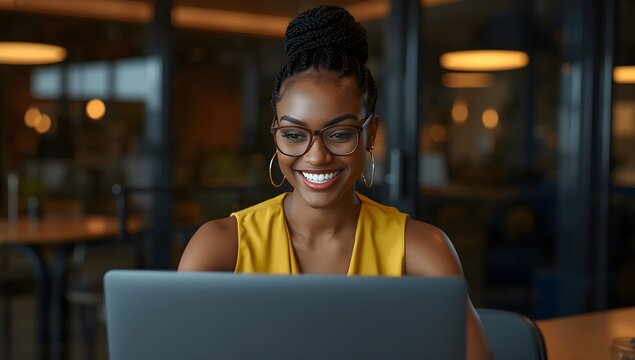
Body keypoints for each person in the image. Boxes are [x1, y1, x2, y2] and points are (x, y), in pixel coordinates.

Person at [179, 5, 492, 359]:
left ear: (371, 133)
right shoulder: (220, 248)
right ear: (275, 135)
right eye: (295, 135)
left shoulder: (421, 249)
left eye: (339, 133)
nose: (316, 156)